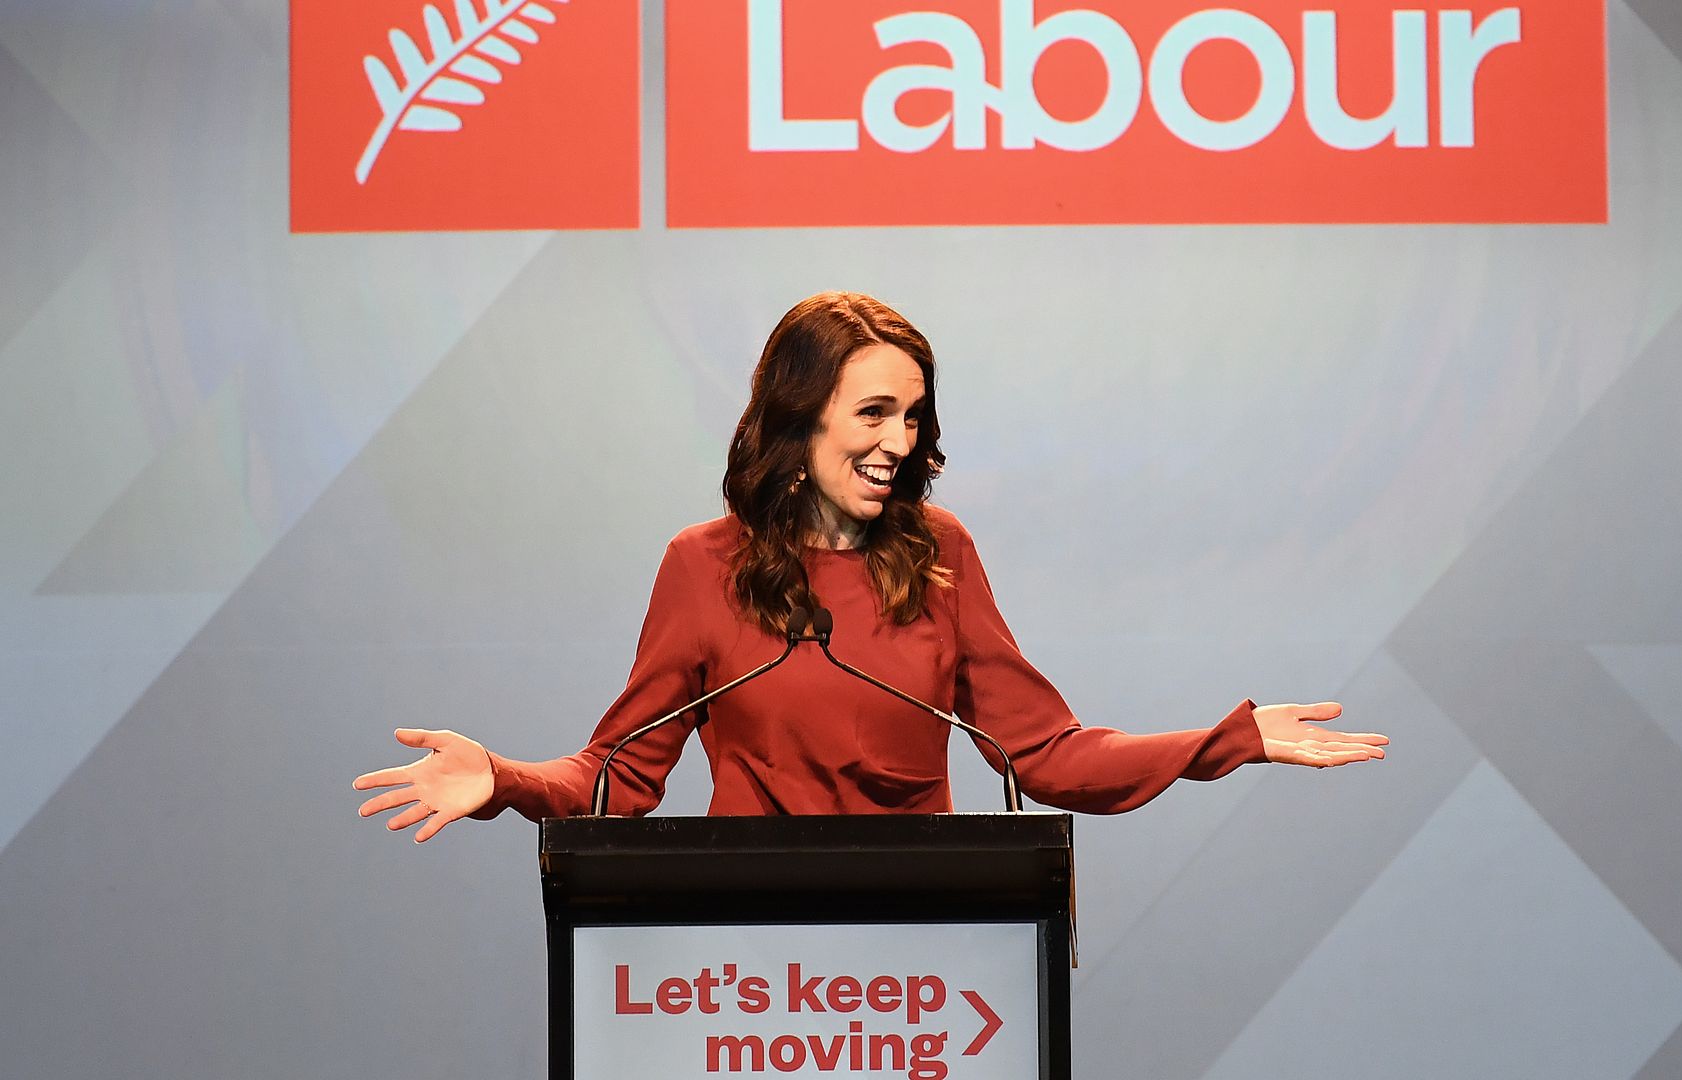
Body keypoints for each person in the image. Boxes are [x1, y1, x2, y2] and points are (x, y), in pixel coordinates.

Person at [354, 292, 1387, 841]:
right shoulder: (702, 566)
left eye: (914, 414)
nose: (902, 440)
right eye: (875, 412)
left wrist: (1227, 741)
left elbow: (1044, 753)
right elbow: (620, 776)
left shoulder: (941, 555)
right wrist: (502, 781)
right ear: (800, 420)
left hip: (920, 961)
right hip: (746, 968)